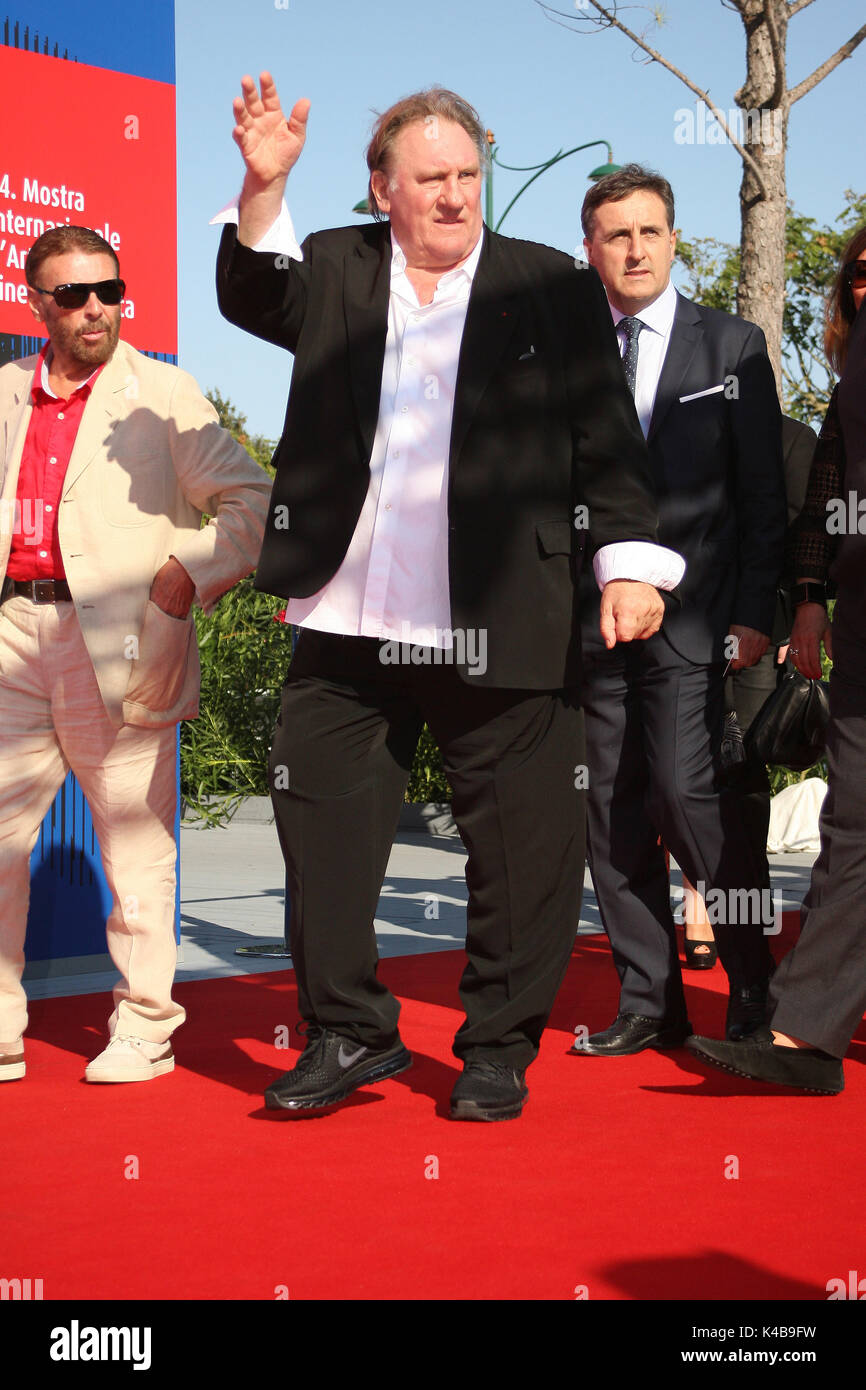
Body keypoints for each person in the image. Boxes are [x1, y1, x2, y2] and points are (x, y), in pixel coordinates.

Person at [214, 75, 684, 1121]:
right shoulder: (336, 266)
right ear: (382, 187)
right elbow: (250, 296)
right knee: (325, 837)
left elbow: (606, 449)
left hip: (502, 613)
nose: (454, 195)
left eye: (469, 174)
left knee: (522, 851)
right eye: (430, 178)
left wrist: (626, 568)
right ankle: (347, 1033)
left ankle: (496, 1049)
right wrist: (260, 188)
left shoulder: (554, 286)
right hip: (346, 613)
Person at [0, 225, 271, 1084]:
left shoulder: (164, 394)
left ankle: (146, 1027)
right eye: (74, 296)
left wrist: (184, 575)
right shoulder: (7, 390)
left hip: (117, 642)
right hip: (13, 634)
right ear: (36, 302)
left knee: (134, 845)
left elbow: (250, 499)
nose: (96, 310)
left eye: (109, 292)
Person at [571, 165, 787, 1058]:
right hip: (589, 626)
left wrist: (755, 614)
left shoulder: (730, 346)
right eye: (615, 234)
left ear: (672, 239)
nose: (633, 248)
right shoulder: (569, 351)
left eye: (648, 231)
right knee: (610, 813)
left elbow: (762, 498)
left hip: (696, 622)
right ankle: (650, 1000)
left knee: (687, 797)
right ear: (591, 248)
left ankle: (752, 982)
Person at [687, 225, 866, 1094]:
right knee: (853, 831)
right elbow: (827, 487)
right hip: (861, 623)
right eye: (858, 274)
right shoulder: (850, 381)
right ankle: (804, 1037)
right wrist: (808, 598)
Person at [681, 414, 817, 968]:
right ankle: (698, 904)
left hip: (759, 637)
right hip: (680, 627)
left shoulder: (792, 440)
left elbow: (803, 540)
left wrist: (787, 628)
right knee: (683, 776)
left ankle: (743, 925)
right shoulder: (687, 431)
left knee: (741, 784)